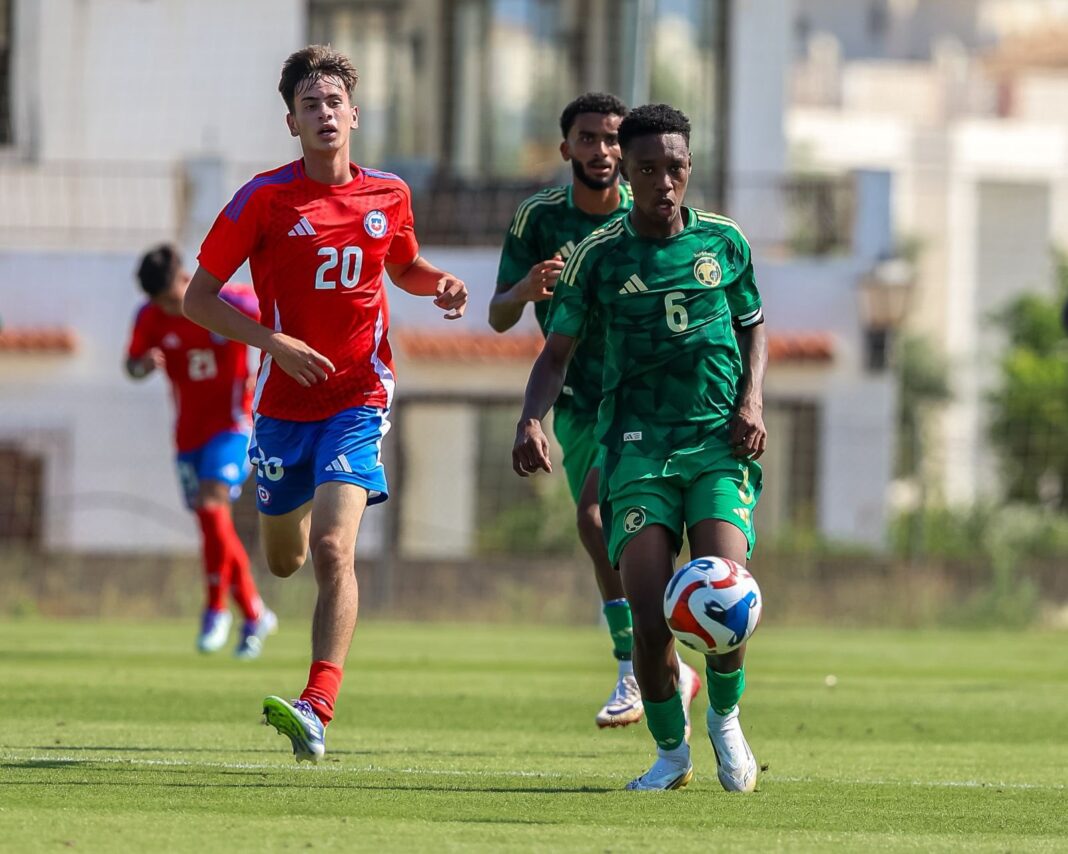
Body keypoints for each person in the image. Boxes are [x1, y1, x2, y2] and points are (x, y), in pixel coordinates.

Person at [182, 45, 468, 763]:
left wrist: (439, 282)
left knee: (335, 549)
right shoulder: (262, 199)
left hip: (358, 397)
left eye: (335, 102)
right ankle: (295, 510)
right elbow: (198, 299)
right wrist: (272, 341)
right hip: (282, 406)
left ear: (355, 115)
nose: (324, 114)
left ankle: (316, 707)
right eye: (310, 105)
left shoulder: (389, 194)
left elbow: (404, 265)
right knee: (285, 561)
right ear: (292, 123)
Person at [512, 104, 767, 792]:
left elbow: (753, 325)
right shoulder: (599, 256)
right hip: (636, 451)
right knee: (653, 621)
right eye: (648, 169)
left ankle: (726, 719)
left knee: (728, 595)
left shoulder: (724, 242)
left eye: (675, 167)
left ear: (690, 168)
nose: (664, 182)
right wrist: (530, 418)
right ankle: (671, 755)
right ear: (627, 171)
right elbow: (556, 353)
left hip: (715, 444)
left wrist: (751, 401)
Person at [491, 93, 699, 730]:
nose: (602, 151)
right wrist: (525, 288)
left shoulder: (647, 213)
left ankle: (637, 662)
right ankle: (658, 662)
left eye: (612, 140)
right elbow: (498, 316)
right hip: (577, 401)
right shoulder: (539, 218)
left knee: (595, 516)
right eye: (588, 139)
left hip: (638, 401)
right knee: (602, 529)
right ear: (567, 149)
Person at [125, 244, 277, 659]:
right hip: (187, 436)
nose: (168, 308)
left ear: (184, 279)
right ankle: (255, 614)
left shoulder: (230, 301)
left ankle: (215, 610)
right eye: (160, 303)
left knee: (212, 506)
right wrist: (143, 366)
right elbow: (131, 364)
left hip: (234, 426)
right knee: (214, 524)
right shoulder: (148, 317)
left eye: (171, 298)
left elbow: (278, 320)